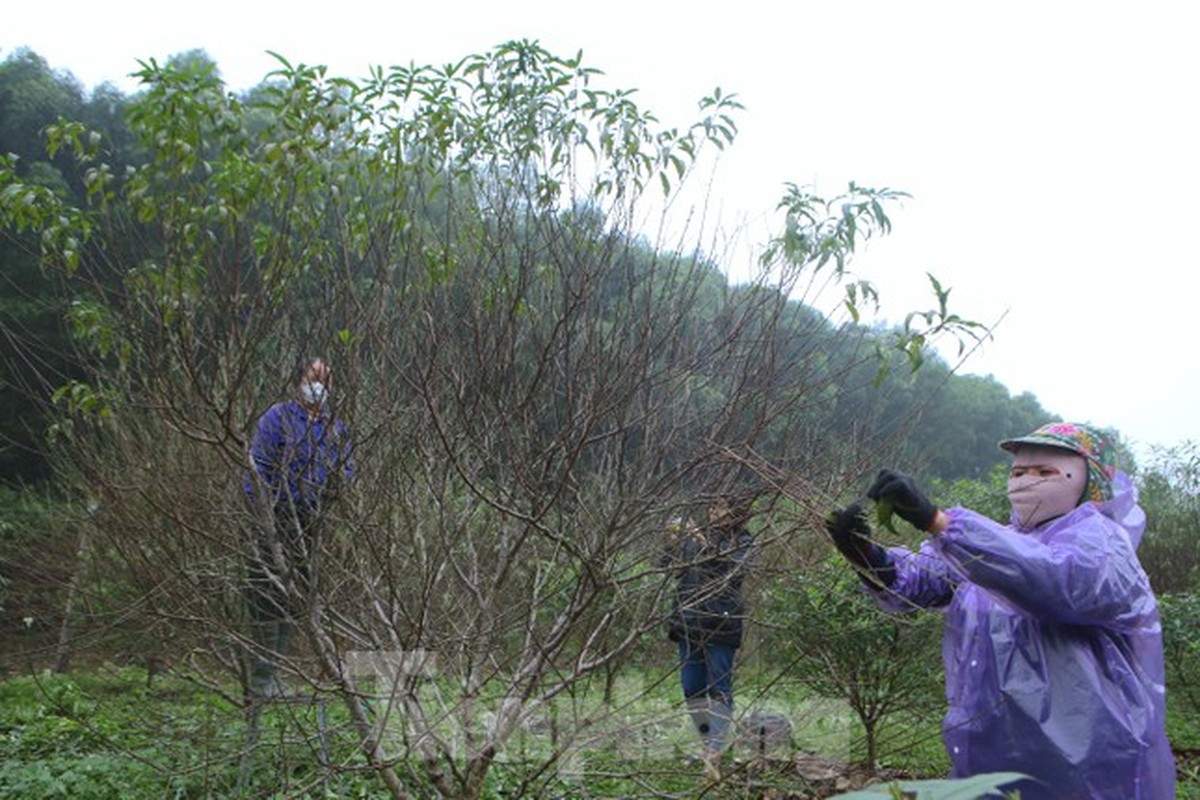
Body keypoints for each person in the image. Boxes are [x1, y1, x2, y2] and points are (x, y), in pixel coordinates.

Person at [825, 421, 1176, 800]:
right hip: (990, 761)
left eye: (1046, 471)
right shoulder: (995, 544)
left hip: (1089, 769)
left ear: (1089, 484)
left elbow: (1053, 579)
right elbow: (918, 581)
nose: (1026, 481)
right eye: (1019, 471)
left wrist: (938, 521)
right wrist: (863, 552)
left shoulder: (1106, 546)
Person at [242, 357, 354, 699]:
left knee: (296, 598)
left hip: (312, 521)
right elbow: (257, 466)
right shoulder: (278, 417)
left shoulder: (335, 427)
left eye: (325, 380)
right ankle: (260, 679)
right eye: (313, 377)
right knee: (265, 594)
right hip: (275, 518)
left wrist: (334, 490)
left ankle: (276, 675)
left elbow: (346, 468)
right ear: (300, 381)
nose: (318, 385)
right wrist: (263, 514)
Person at [664, 494, 755, 779]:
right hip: (688, 623)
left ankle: (715, 750)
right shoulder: (697, 536)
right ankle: (706, 746)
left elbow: (732, 573)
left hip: (720, 624)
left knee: (719, 688)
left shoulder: (743, 541)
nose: (714, 512)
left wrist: (703, 544)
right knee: (692, 688)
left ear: (737, 513)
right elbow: (671, 567)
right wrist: (672, 543)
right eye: (712, 506)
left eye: (721, 507)